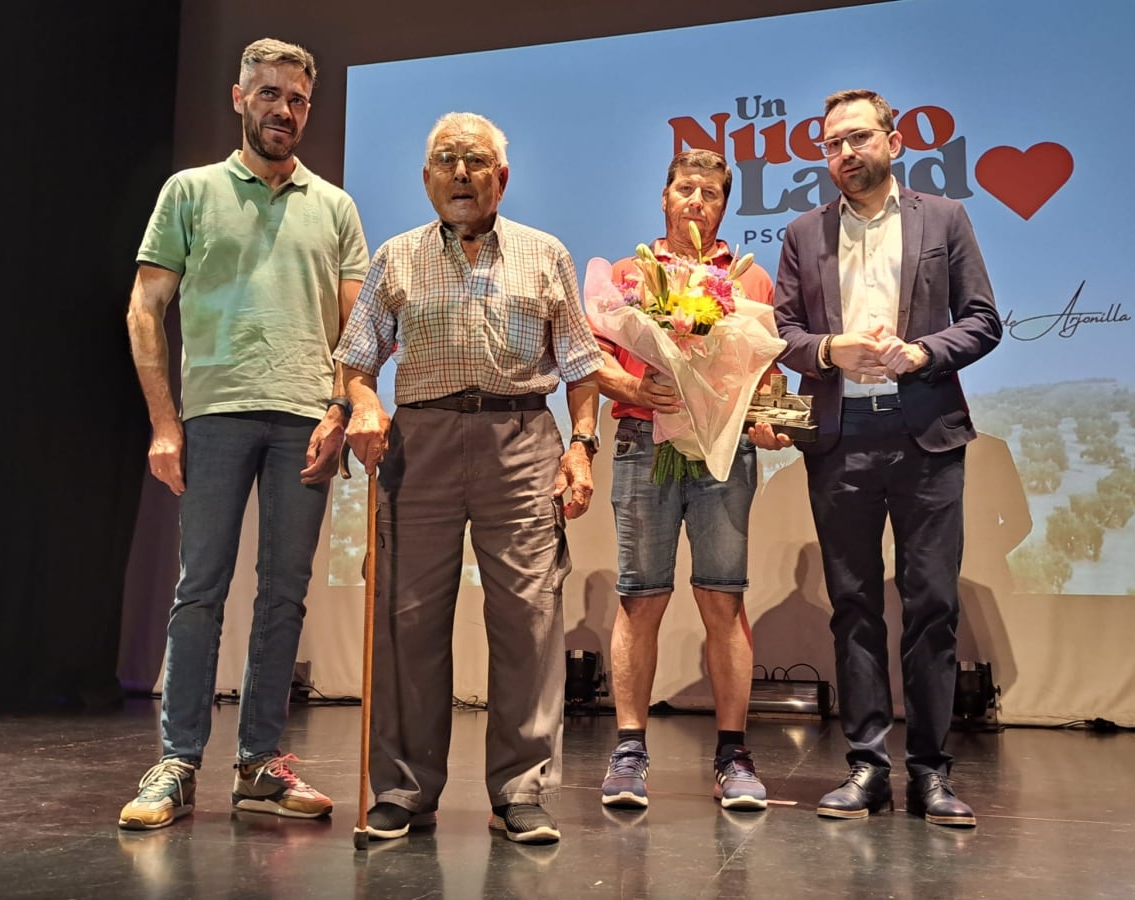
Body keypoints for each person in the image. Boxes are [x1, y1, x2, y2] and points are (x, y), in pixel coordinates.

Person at [120, 38, 369, 830]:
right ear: (238, 98)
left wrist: (340, 408)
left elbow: (355, 326)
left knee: (285, 596)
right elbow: (143, 310)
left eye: (297, 100)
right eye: (269, 95)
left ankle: (260, 764)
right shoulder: (189, 191)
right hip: (216, 415)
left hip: (306, 420)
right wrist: (164, 422)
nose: (284, 111)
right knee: (200, 591)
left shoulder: (334, 206)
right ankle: (177, 763)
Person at [334, 111, 602, 845]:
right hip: (418, 443)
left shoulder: (545, 254)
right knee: (408, 619)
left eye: (475, 161)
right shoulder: (395, 257)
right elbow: (356, 362)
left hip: (520, 438)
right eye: (445, 160)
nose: (460, 172)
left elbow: (580, 367)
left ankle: (520, 791)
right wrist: (361, 403)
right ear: (426, 178)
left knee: (528, 619)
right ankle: (403, 790)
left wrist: (581, 446)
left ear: (501, 178)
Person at [773, 89, 1001, 827]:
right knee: (855, 610)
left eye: (859, 137)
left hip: (926, 438)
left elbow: (983, 321)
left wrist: (922, 352)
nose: (845, 152)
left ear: (894, 141)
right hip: (840, 439)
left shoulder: (945, 219)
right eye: (832, 143)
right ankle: (868, 767)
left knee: (932, 607)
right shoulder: (804, 233)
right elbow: (780, 332)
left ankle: (931, 773)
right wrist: (830, 350)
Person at [593, 149, 791, 813]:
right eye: (685, 189)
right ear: (664, 197)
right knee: (639, 597)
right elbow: (589, 358)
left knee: (722, 599)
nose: (696, 201)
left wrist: (767, 418)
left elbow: (769, 374)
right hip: (641, 442)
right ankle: (628, 751)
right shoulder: (626, 275)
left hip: (724, 452)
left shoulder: (752, 280)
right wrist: (630, 383)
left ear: (725, 205)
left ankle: (733, 754)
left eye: (710, 193)